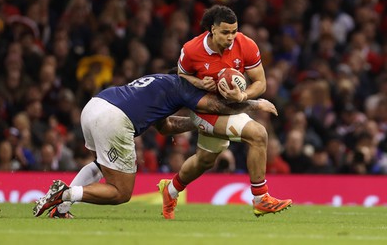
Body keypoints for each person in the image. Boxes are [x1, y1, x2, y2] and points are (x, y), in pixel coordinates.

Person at [32, 72, 277, 218]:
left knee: (100, 163)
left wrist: (195, 123)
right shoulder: (184, 86)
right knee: (120, 192)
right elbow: (215, 107)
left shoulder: (160, 83)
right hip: (114, 119)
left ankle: (60, 208)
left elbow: (165, 126)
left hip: (95, 105)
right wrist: (254, 104)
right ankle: (64, 194)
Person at [157, 5, 292, 219]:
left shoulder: (245, 44)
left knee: (205, 161)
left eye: (234, 31)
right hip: (203, 108)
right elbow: (180, 79)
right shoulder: (192, 50)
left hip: (231, 106)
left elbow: (261, 82)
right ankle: (260, 198)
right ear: (212, 29)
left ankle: (170, 190)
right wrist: (200, 82)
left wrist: (243, 96)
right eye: (225, 32)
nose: (231, 37)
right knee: (258, 134)